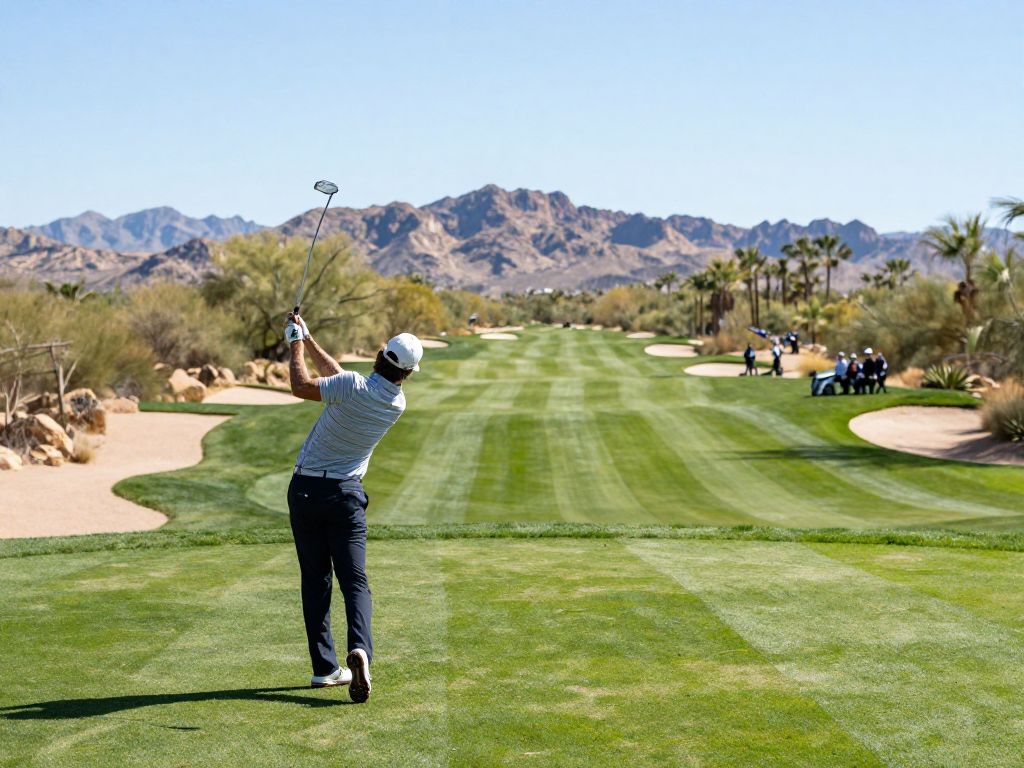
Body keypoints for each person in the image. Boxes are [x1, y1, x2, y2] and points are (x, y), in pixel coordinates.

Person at [285, 312, 423, 703]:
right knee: (355, 582)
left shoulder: (351, 386)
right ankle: (360, 650)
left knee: (316, 580)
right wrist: (309, 339)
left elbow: (301, 386)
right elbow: (342, 378)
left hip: (306, 491)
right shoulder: (395, 402)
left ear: (380, 354)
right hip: (346, 497)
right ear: (408, 373)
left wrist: (294, 342)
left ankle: (325, 668)